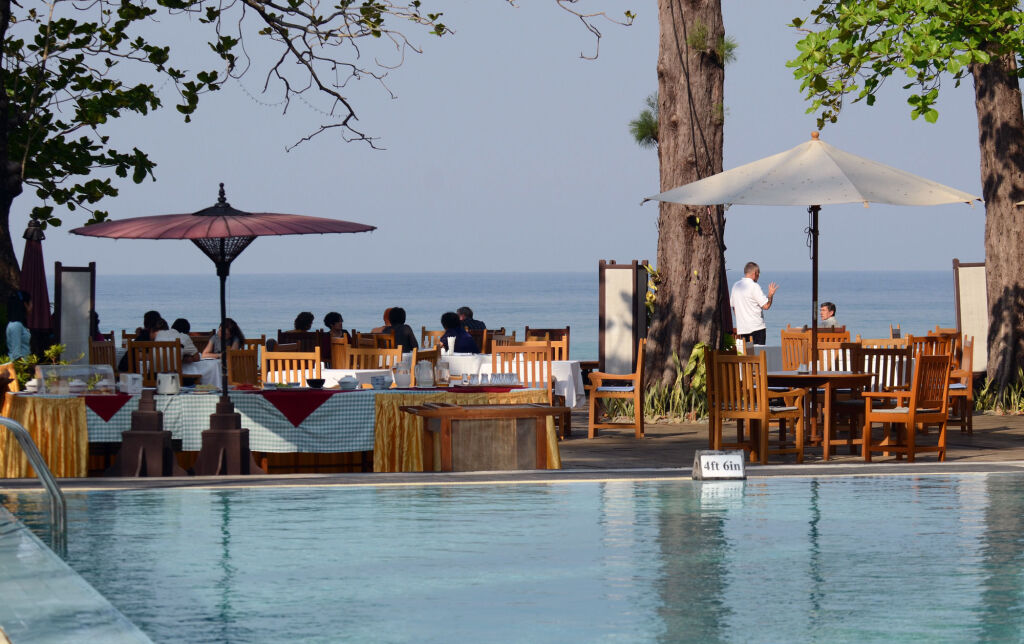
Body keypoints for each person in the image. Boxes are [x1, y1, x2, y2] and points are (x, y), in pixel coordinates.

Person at [730, 261, 777, 346]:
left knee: (746, 354)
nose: (758, 277)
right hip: (757, 328)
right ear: (755, 273)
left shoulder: (735, 286)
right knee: (759, 353)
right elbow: (766, 306)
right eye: (758, 274)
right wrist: (770, 295)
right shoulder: (754, 286)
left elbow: (734, 308)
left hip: (742, 329)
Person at [5, 290, 32, 360]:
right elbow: (16, 355)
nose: (32, 307)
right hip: (19, 365)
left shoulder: (20, 324)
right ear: (25, 304)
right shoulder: (16, 325)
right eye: (31, 303)